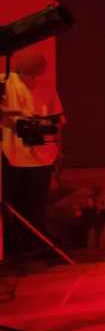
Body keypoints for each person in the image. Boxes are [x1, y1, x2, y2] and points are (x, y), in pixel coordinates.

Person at [1, 52, 64, 258]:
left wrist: (58, 149)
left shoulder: (47, 88)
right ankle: (13, 249)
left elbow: (58, 121)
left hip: (42, 156)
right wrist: (16, 121)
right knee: (11, 204)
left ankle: (36, 247)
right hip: (11, 154)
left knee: (35, 204)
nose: (34, 77)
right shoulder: (4, 83)